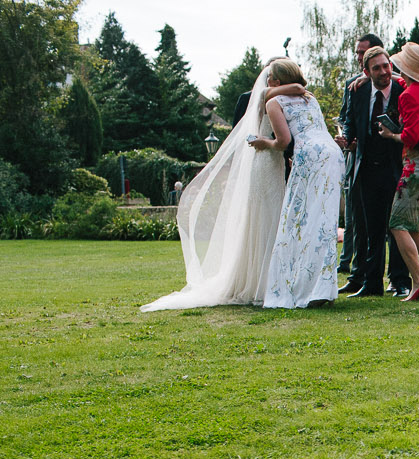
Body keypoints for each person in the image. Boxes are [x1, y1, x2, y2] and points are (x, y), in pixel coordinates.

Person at [142, 63, 287, 310]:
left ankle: (275, 278)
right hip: (265, 163)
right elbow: (296, 87)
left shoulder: (279, 98)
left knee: (273, 217)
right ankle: (260, 282)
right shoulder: (264, 97)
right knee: (262, 218)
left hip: (276, 165)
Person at [240, 58, 346, 308]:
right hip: (332, 154)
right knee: (324, 223)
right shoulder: (310, 98)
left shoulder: (274, 102)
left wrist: (261, 141)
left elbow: (283, 142)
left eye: (269, 79)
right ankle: (323, 289)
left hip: (309, 156)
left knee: (296, 221)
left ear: (275, 81)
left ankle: (298, 288)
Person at [374, 43, 419, 299]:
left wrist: (392, 134)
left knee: (396, 225)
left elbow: (412, 136)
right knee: (414, 228)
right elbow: (408, 87)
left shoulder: (407, 96)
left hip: (416, 166)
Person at [338, 45, 412, 297]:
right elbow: (349, 120)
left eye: (386, 65)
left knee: (398, 226)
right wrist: (347, 138)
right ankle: (372, 284)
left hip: (397, 167)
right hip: (367, 167)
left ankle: (401, 280)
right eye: (377, 68)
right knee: (371, 228)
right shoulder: (357, 92)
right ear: (366, 72)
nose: (384, 71)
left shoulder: (404, 89)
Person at [337, 32, 381, 276]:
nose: (358, 57)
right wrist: (346, 135)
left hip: (382, 156)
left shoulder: (391, 82)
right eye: (357, 52)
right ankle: (350, 265)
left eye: (362, 52)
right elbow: (346, 116)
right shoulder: (352, 84)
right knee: (353, 212)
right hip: (356, 154)